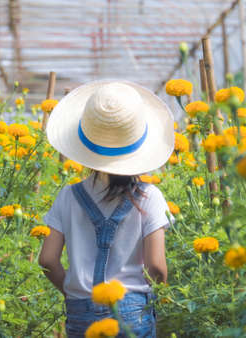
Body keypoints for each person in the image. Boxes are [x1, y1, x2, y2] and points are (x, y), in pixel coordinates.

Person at [39, 81, 175, 337]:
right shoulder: (150, 197)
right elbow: (156, 267)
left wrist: (74, 292)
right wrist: (160, 297)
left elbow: (47, 260)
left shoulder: (67, 196)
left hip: (81, 312)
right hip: (132, 311)